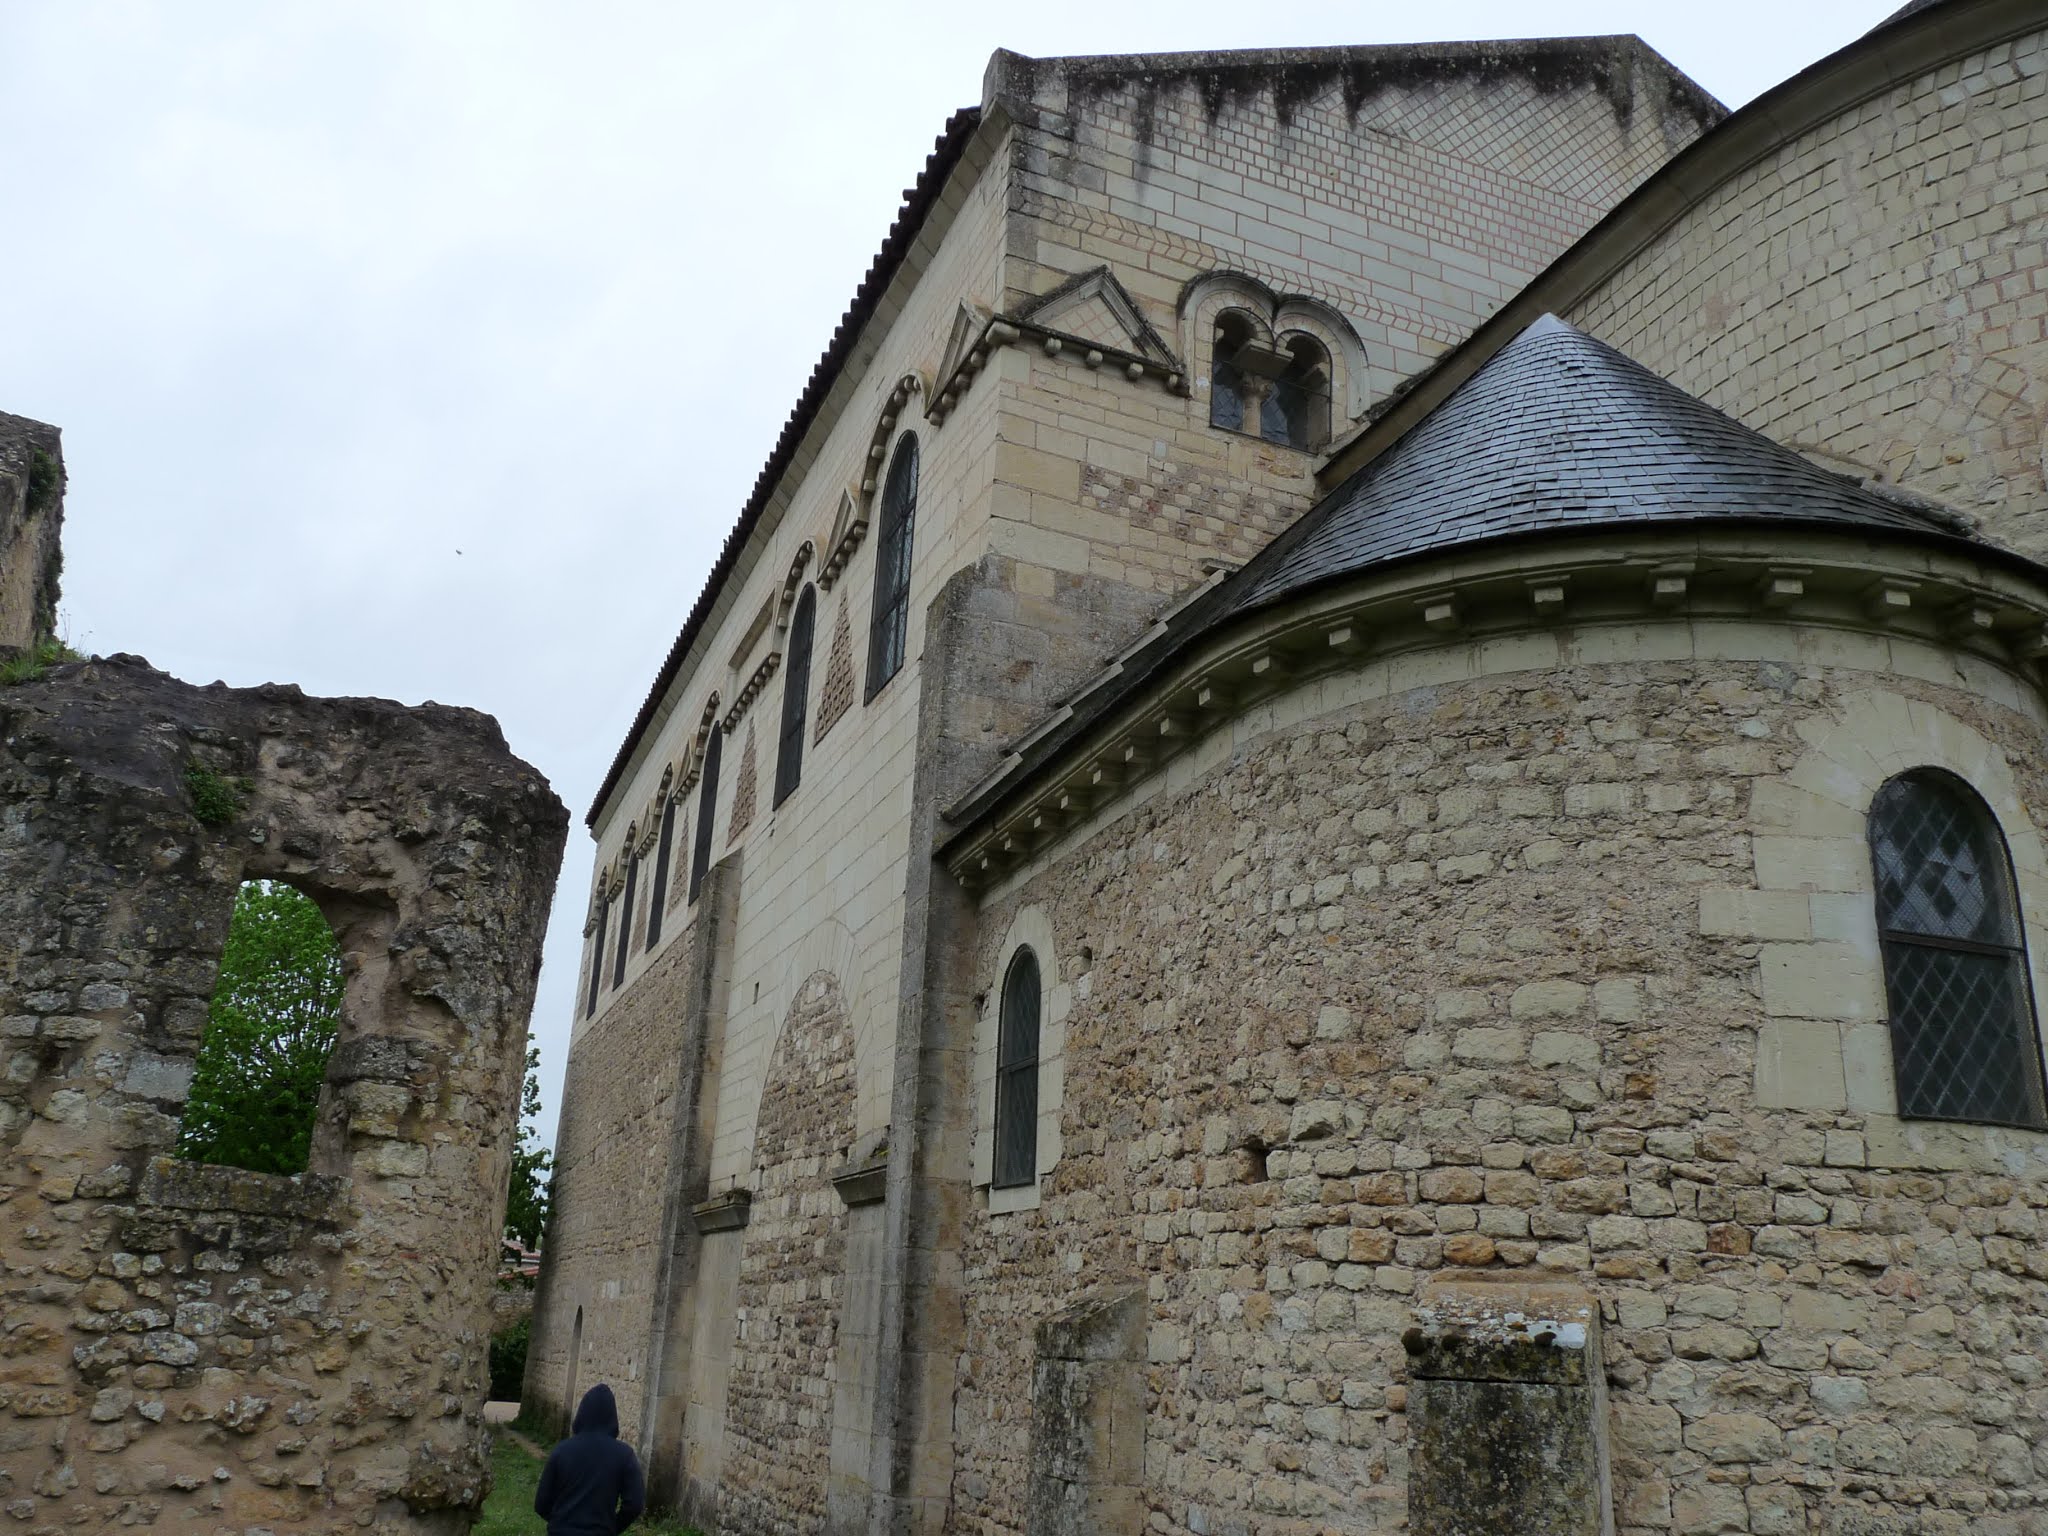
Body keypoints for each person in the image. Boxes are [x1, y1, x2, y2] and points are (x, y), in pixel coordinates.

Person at [534, 1383, 646, 1535]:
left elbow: (541, 1503)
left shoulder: (561, 1451)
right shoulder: (624, 1455)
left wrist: (560, 1523)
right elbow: (635, 1504)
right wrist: (612, 1527)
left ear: (582, 1413)